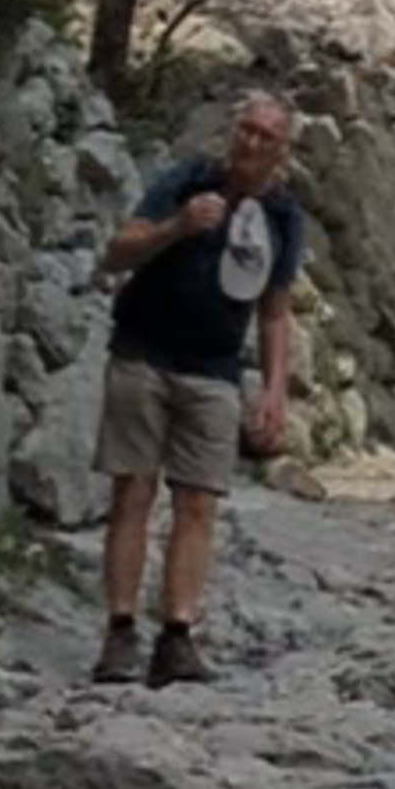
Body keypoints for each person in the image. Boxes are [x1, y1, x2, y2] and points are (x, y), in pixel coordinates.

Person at [95, 86, 304, 689]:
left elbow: (273, 309)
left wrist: (273, 390)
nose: (252, 142)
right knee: (132, 491)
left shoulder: (284, 216)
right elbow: (117, 253)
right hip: (142, 353)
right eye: (247, 130)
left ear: (281, 152)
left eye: (267, 136)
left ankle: (178, 635)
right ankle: (120, 630)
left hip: (214, 369)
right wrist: (177, 227)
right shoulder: (187, 182)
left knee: (198, 503)